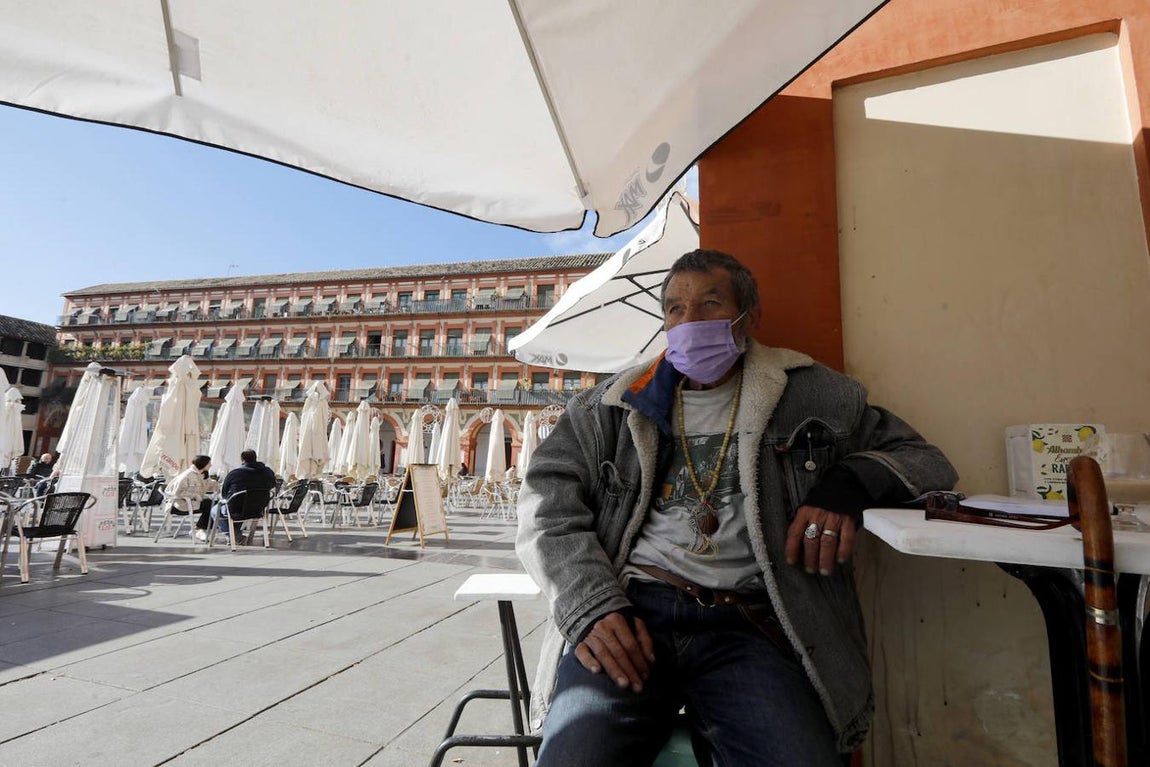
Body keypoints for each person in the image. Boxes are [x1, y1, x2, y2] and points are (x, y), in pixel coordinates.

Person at [516, 249, 958, 766]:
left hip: (747, 624)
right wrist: (590, 606)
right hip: (634, 614)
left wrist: (846, 486)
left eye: (709, 303)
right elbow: (545, 500)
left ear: (749, 317)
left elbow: (926, 460)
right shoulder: (611, 406)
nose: (689, 320)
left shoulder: (815, 395)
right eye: (675, 309)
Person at [215, 449, 277, 541]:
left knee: (216, 510)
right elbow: (273, 484)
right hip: (258, 508)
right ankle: (237, 534)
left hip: (236, 509)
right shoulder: (268, 472)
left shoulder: (234, 474)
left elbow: (224, 494)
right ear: (256, 458)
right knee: (235, 508)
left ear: (242, 460)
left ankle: (235, 536)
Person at [165, 455, 220, 543]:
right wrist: (194, 495)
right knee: (211, 505)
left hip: (193, 503)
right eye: (209, 463)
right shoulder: (187, 475)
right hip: (180, 504)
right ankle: (199, 529)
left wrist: (218, 484)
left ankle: (199, 529)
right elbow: (177, 493)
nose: (211, 465)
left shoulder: (202, 474)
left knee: (216, 504)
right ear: (203, 464)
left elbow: (209, 485)